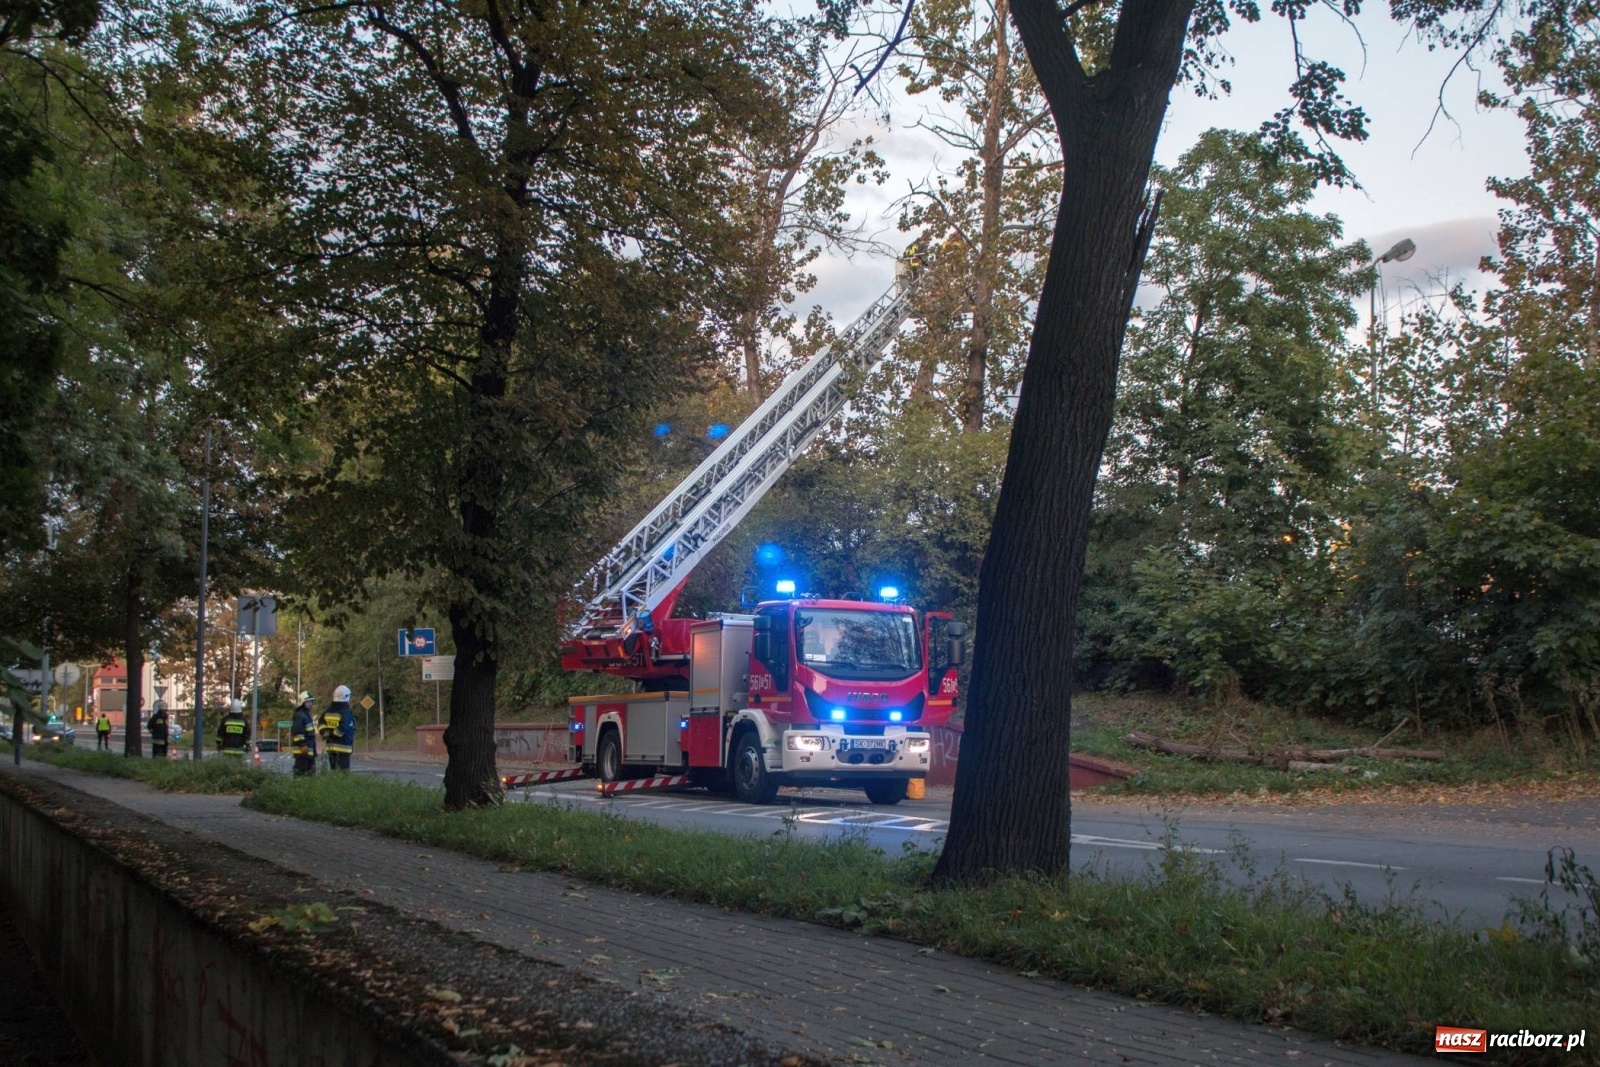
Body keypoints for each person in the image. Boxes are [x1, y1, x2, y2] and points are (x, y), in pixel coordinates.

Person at [318, 685, 355, 771]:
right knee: (343, 775)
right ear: (346, 697)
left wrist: (325, 733)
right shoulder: (345, 711)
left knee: (334, 772)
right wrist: (334, 734)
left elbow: (321, 724)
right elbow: (344, 726)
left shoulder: (328, 711)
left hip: (331, 748)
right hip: (344, 748)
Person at [289, 691, 317, 778]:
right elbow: (297, 733)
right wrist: (302, 745)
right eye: (307, 702)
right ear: (302, 702)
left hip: (308, 751)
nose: (310, 704)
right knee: (301, 774)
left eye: (311, 702)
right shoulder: (300, 716)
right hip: (302, 752)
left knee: (310, 774)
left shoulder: (306, 715)